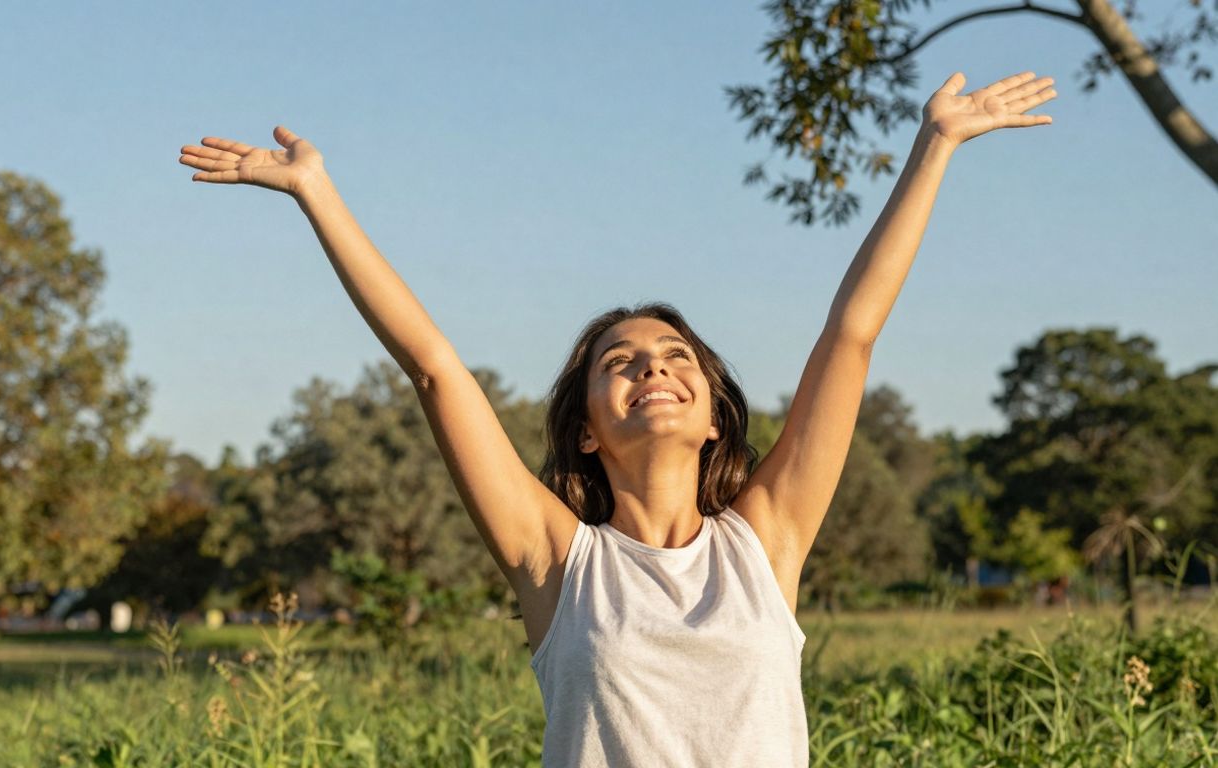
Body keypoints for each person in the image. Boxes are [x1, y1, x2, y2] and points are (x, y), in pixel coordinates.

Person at [179, 69, 1055, 767]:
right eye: (620, 362)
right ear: (588, 430)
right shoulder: (558, 562)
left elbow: (852, 334)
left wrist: (934, 146)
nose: (652, 367)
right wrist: (316, 192)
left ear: (713, 421)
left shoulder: (766, 543)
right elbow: (435, 370)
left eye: (677, 357)